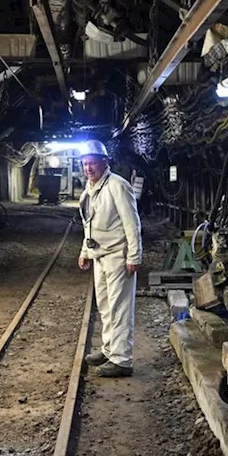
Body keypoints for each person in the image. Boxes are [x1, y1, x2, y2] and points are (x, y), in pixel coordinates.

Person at [77, 140, 142, 377]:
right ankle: (108, 350)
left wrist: (134, 255)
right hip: (100, 257)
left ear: (105, 162)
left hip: (117, 256)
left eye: (92, 162)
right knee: (104, 306)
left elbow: (131, 223)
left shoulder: (118, 186)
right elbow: (89, 224)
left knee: (120, 308)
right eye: (85, 164)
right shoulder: (90, 189)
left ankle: (122, 360)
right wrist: (85, 251)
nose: (88, 168)